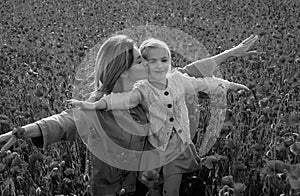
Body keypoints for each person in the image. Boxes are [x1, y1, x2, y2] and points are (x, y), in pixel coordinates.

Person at [0, 34, 258, 196]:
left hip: (146, 184)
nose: (148, 63)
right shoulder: (99, 106)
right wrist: (23, 131)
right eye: (139, 61)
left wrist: (231, 53)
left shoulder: (150, 89)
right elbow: (65, 121)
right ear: (123, 72)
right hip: (111, 189)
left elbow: (190, 72)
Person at [67, 38, 249, 196]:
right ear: (144, 65)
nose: (160, 65)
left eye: (164, 59)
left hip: (178, 145)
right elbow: (121, 100)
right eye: (151, 61)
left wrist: (228, 84)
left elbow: (201, 82)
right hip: (154, 149)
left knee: (171, 186)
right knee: (152, 184)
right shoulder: (142, 89)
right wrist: (94, 105)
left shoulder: (177, 78)